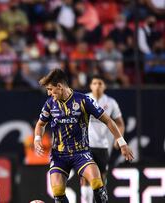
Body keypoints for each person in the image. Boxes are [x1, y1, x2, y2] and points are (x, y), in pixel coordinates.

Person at [34, 69, 134, 203]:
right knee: (57, 192)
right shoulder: (50, 104)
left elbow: (108, 120)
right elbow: (40, 124)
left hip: (81, 153)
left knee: (97, 183)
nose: (49, 93)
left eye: (50, 89)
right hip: (59, 155)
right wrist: (37, 139)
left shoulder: (83, 100)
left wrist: (122, 143)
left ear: (60, 86)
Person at [80, 75, 125, 203]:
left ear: (104, 86)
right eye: (95, 83)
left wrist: (119, 138)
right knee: (85, 177)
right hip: (85, 145)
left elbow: (120, 123)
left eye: (100, 83)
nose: (97, 86)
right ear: (90, 86)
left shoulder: (110, 102)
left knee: (101, 178)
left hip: (103, 145)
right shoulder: (84, 99)